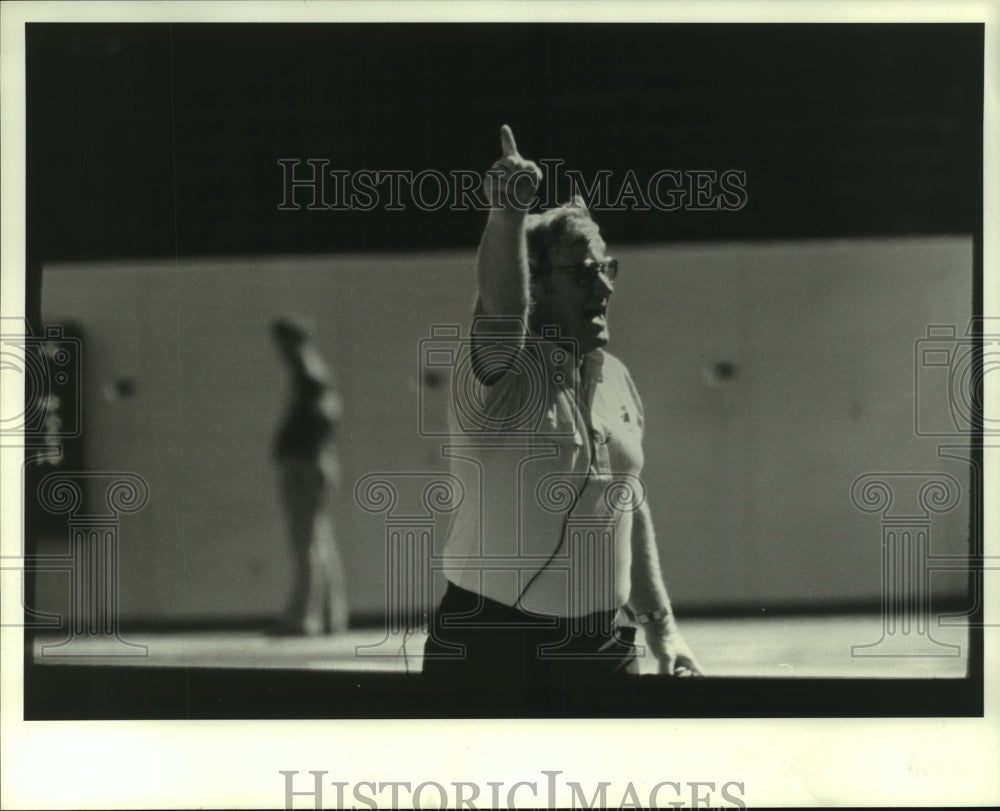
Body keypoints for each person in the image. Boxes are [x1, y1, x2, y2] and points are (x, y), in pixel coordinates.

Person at [421, 125, 702, 687]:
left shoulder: (617, 377)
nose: (604, 286)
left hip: (601, 646)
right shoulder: (502, 372)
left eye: (607, 267)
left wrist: (661, 627)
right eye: (581, 272)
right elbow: (502, 307)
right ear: (538, 284)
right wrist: (507, 216)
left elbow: (626, 499)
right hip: (490, 642)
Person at [272, 316, 350, 635]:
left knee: (306, 542)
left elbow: (326, 417)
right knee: (318, 539)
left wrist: (304, 457)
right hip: (312, 463)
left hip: (306, 465)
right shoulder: (309, 375)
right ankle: (332, 614)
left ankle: (306, 616)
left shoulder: (309, 376)